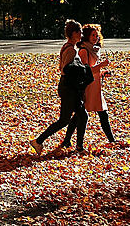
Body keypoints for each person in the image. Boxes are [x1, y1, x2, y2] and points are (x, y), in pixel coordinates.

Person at [29, 19, 90, 154]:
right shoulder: (71, 50)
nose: (81, 34)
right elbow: (66, 69)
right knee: (64, 120)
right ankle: (38, 141)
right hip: (69, 88)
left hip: (69, 87)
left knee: (82, 116)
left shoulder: (67, 47)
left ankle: (79, 147)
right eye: (79, 32)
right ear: (74, 33)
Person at [61, 23, 114, 146]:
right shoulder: (84, 50)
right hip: (88, 87)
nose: (95, 37)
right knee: (80, 115)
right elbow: (86, 71)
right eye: (93, 35)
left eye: (97, 35)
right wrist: (101, 66)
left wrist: (103, 72)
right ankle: (68, 140)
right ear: (87, 37)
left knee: (102, 113)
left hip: (96, 86)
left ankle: (112, 140)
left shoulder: (94, 50)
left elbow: (94, 71)